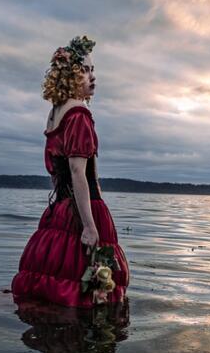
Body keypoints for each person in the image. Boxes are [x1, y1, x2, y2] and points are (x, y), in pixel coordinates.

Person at [11, 35, 130, 308]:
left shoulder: (55, 114)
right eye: (85, 70)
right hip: (82, 211)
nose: (93, 77)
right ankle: (79, 339)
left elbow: (55, 172)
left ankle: (52, 333)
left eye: (93, 70)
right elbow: (78, 173)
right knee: (90, 291)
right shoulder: (78, 115)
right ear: (71, 75)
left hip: (61, 210)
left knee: (55, 281)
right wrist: (89, 225)